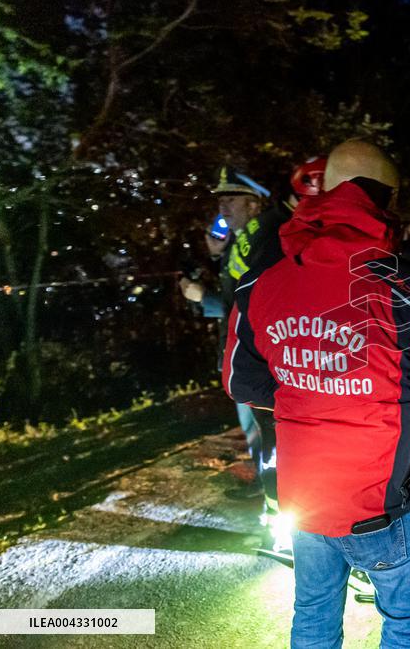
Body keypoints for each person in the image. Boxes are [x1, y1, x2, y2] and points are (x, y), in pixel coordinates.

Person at [223, 140, 410, 648]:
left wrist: (312, 390)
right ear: (386, 200)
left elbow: (241, 382)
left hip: (305, 503)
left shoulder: (261, 282)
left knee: (313, 618)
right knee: (405, 625)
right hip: (384, 509)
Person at [180, 166, 291, 544]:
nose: (222, 207)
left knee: (268, 435)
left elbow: (250, 304)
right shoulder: (242, 242)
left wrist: (204, 298)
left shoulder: (266, 240)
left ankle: (278, 512)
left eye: (231, 199)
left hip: (256, 359)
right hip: (241, 356)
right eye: (220, 200)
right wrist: (217, 257)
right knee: (256, 432)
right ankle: (267, 489)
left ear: (254, 204)